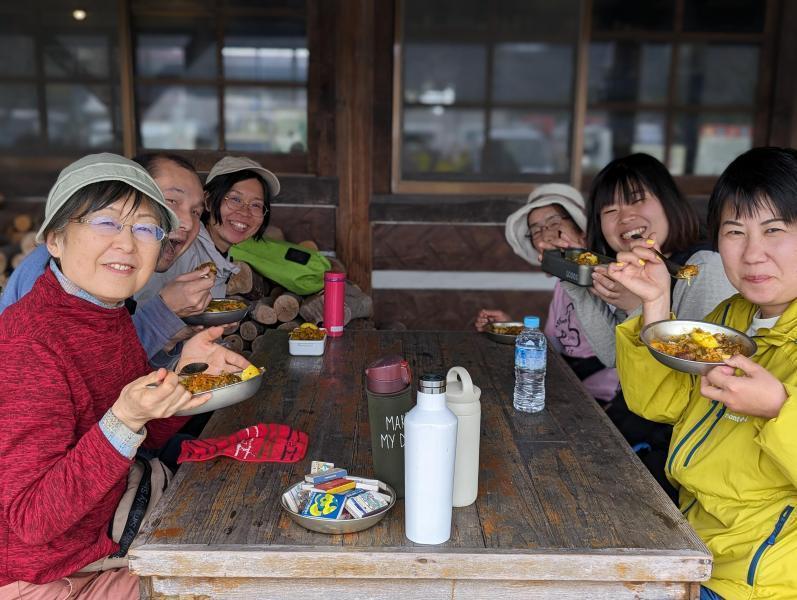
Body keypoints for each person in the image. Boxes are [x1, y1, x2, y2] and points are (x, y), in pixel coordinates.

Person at [0, 153, 250, 598]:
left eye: (145, 228)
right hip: (44, 578)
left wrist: (184, 376)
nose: (127, 243)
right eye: (106, 223)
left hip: (106, 544)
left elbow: (145, 439)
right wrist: (124, 420)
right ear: (55, 239)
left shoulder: (105, 315)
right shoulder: (28, 344)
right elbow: (31, 520)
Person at [609, 146, 797, 599]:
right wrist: (654, 306)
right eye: (735, 231)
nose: (753, 253)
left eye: (773, 230)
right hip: (691, 545)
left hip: (757, 582)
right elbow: (661, 402)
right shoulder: (734, 315)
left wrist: (779, 409)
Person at [558, 154, 737, 498]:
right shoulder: (640, 270)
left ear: (668, 203)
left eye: (638, 199)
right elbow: (616, 359)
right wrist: (576, 284)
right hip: (642, 429)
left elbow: (689, 388)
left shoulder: (701, 268)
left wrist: (638, 306)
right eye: (609, 211)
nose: (625, 217)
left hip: (678, 453)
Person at [0, 153, 214, 359]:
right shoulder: (42, 283)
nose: (187, 222)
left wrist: (172, 342)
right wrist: (162, 312)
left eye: (196, 211)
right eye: (171, 201)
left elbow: (112, 367)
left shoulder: (108, 297)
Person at [475, 184, 619, 406]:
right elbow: (553, 346)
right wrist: (515, 329)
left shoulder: (607, 276)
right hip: (563, 391)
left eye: (553, 223)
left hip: (605, 403)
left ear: (582, 231)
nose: (545, 237)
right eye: (535, 230)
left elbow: (618, 353)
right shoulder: (563, 285)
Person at [136, 155, 279, 302]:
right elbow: (140, 316)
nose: (245, 212)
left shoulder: (219, 253)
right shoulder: (175, 250)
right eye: (235, 199)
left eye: (256, 205)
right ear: (208, 201)